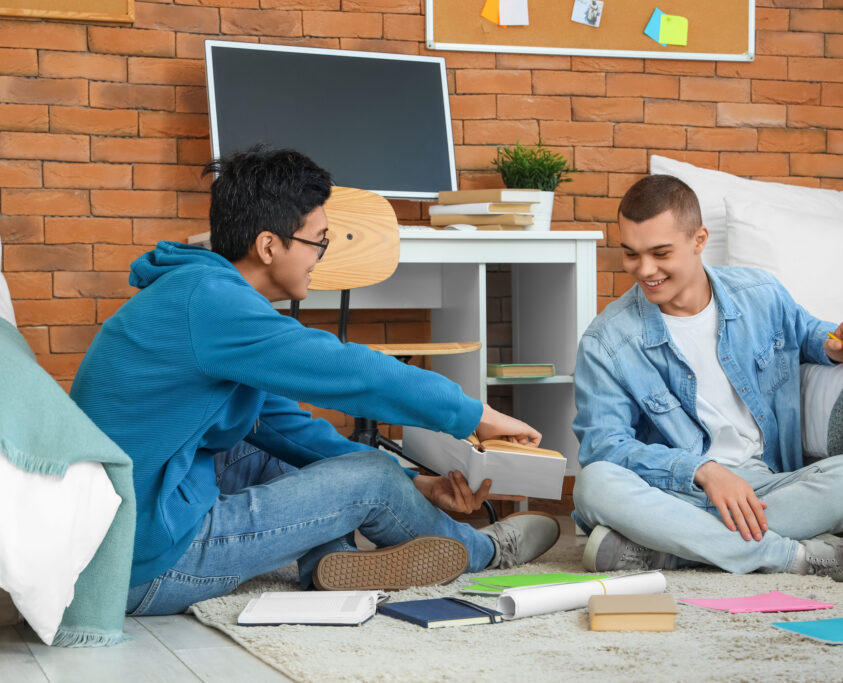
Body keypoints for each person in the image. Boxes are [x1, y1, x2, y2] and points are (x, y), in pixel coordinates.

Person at [70, 147, 559, 616]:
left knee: (276, 450)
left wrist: (418, 485)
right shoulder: (213, 305)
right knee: (371, 476)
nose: (320, 254)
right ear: (268, 245)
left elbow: (284, 430)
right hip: (142, 564)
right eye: (317, 239)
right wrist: (477, 415)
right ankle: (486, 551)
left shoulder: (198, 293)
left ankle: (329, 562)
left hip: (124, 533)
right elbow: (353, 372)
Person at [571, 174, 843, 585]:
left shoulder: (761, 293)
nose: (644, 270)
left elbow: (810, 333)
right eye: (631, 254)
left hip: (762, 486)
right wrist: (702, 470)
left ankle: (667, 549)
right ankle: (790, 557)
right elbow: (604, 447)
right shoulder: (606, 341)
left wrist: (839, 340)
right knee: (594, 485)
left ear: (699, 240)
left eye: (660, 252)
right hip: (670, 491)